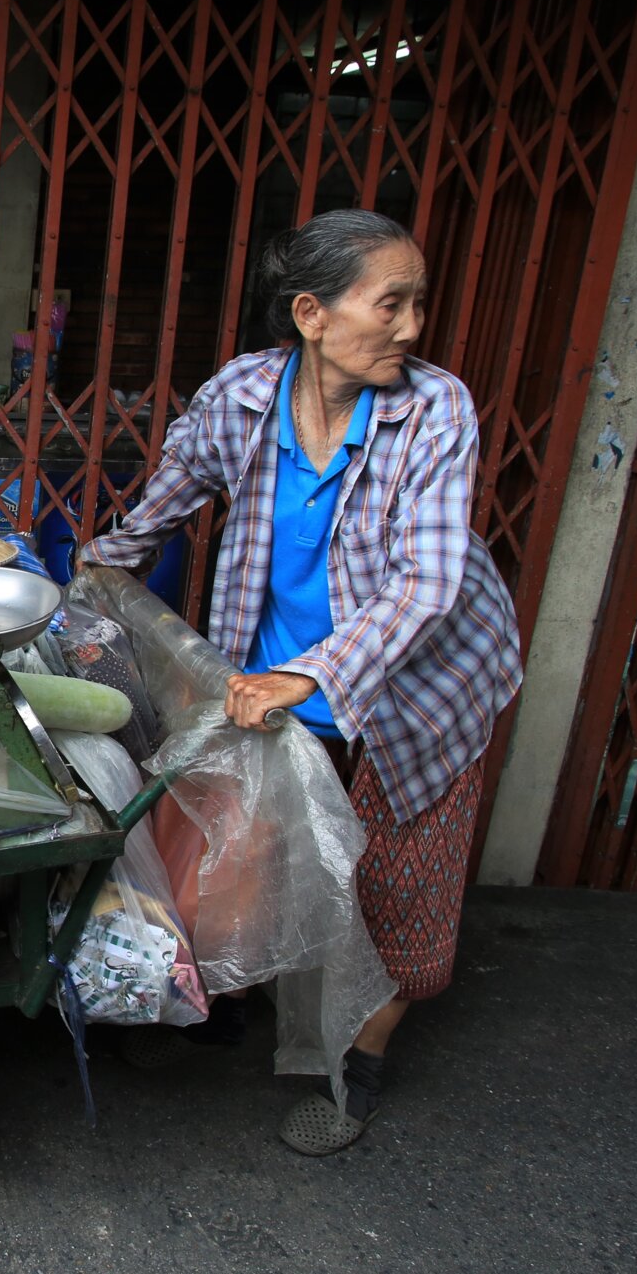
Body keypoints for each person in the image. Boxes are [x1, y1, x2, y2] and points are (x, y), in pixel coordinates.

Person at [77, 208, 523, 1155]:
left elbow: (427, 582)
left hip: (419, 688)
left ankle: (358, 1070)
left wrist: (305, 672)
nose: (412, 327)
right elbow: (165, 502)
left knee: (396, 885)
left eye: (418, 303)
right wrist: (91, 573)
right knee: (243, 848)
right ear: (311, 314)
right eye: (391, 304)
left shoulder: (434, 408)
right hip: (271, 674)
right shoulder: (242, 396)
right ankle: (224, 1006)